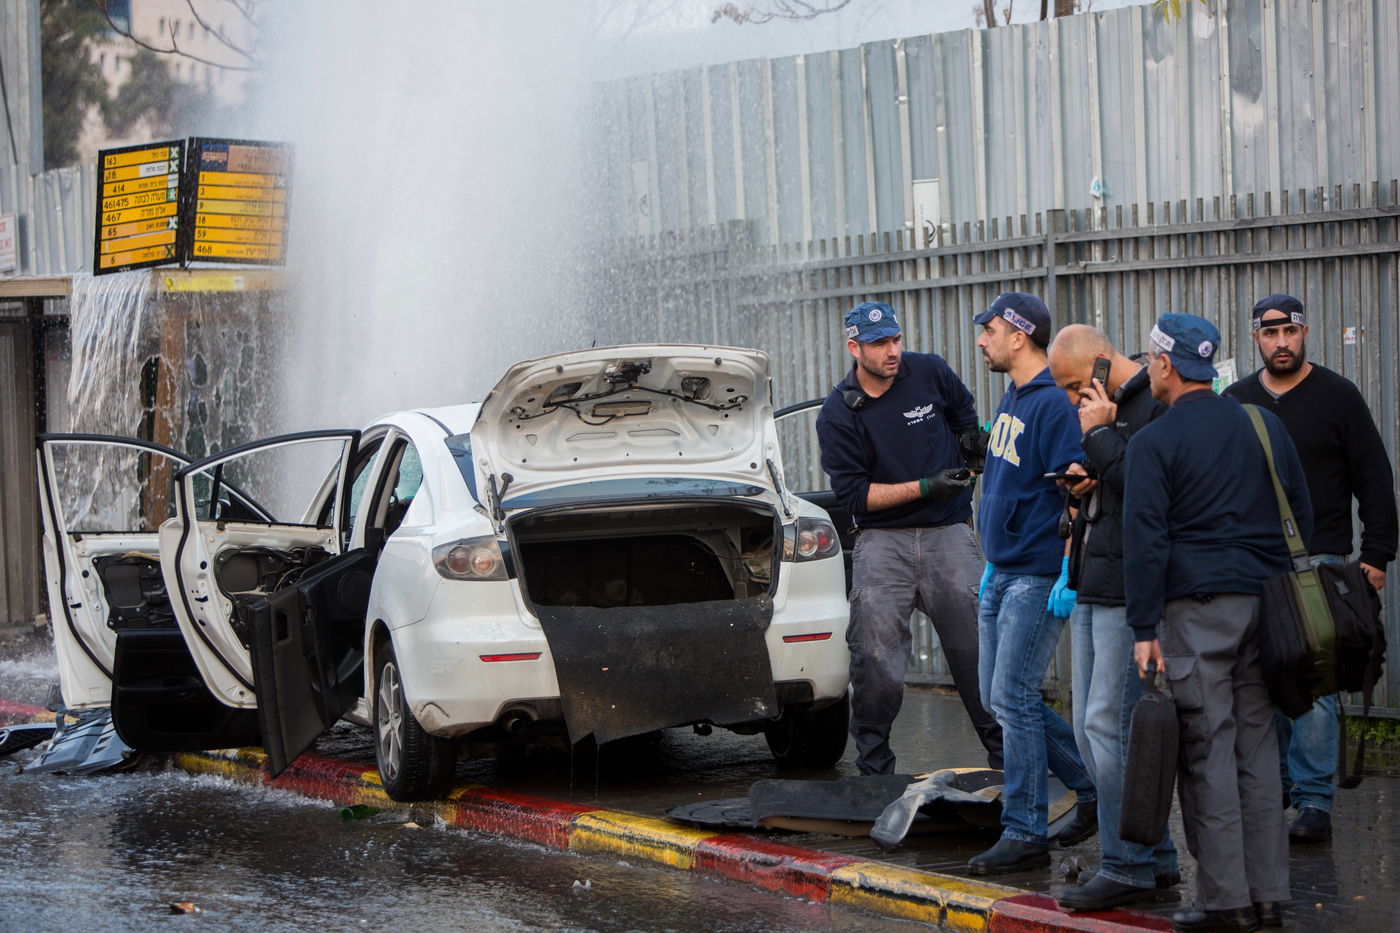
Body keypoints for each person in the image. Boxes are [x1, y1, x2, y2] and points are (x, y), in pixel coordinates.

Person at [1126, 312, 1309, 933]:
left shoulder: (1153, 441)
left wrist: (1143, 628)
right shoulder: (1263, 424)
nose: (1149, 367)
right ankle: (1269, 899)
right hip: (1268, 608)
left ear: (1167, 364)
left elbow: (1146, 543)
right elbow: (1300, 513)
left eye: (1151, 358)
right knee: (1258, 755)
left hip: (1196, 614)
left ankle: (1225, 903)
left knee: (1208, 754)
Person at [1223, 294, 1398, 844]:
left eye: (1290, 332)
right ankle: (1274, 787)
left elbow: (1373, 476)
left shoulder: (1337, 397)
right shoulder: (1236, 400)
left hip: (1320, 561)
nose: (1281, 342)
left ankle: (1315, 802)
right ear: (1255, 337)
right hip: (1252, 563)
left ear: (1304, 334)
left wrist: (1376, 555)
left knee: (1315, 681)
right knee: (1259, 680)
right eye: (1270, 332)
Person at [815, 301, 1003, 777]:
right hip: (883, 542)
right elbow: (855, 496)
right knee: (876, 659)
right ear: (855, 348)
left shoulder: (929, 371)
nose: (892, 350)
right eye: (879, 344)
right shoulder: (839, 412)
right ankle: (875, 771)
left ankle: (1009, 764)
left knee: (977, 653)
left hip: (948, 535)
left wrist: (970, 451)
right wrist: (925, 487)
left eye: (895, 339)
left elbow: (963, 412)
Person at [1045, 324, 1180, 910]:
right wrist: (1079, 485)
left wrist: (1099, 437)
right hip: (1096, 578)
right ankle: (1159, 855)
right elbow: (1114, 484)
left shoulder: (1155, 404)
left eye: (1077, 385)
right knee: (1087, 726)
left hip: (1131, 587)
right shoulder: (1108, 410)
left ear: (1101, 362)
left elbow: (1150, 492)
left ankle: (1128, 863)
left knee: (1112, 728)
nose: (1076, 399)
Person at [966, 293, 1096, 875]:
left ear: (1018, 336)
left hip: (1036, 574)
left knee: (1014, 700)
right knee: (1001, 698)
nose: (981, 339)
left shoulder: (1051, 405)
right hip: (1003, 570)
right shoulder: (1014, 395)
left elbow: (1077, 485)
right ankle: (1093, 790)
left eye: (989, 330)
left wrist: (1066, 571)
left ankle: (1024, 831)